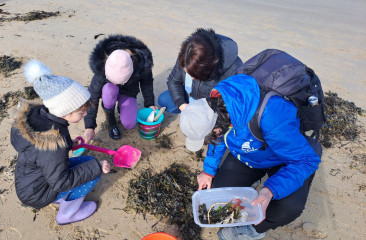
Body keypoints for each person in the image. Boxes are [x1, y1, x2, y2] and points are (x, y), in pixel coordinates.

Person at [180, 74, 322, 239]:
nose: (208, 142)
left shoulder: (271, 117)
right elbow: (217, 139)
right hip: (248, 154)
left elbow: (307, 161)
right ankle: (250, 188)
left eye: (207, 138)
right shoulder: (218, 106)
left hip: (284, 158)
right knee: (217, 193)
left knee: (288, 208)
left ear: (217, 128)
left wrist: (270, 191)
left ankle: (254, 231)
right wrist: (208, 171)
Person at [10, 60, 111, 225]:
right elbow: (61, 181)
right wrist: (97, 167)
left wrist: (69, 144)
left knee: (87, 163)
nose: (85, 114)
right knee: (92, 169)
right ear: (65, 111)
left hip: (32, 183)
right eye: (81, 111)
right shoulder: (52, 146)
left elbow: (46, 159)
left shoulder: (42, 119)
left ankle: (60, 198)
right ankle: (67, 214)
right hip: (38, 193)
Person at [84, 34, 157, 141]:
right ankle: (110, 118)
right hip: (109, 91)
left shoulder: (142, 63)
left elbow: (147, 84)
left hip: (128, 91)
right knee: (109, 89)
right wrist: (89, 127)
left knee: (129, 123)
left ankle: (122, 108)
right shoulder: (102, 66)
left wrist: (150, 104)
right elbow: (92, 98)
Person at [158, 28, 242, 113]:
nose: (191, 78)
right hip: (191, 96)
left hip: (214, 105)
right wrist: (182, 105)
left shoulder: (234, 68)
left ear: (208, 69)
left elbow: (235, 103)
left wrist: (210, 114)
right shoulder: (188, 54)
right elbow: (173, 81)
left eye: (194, 75)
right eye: (187, 72)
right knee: (164, 100)